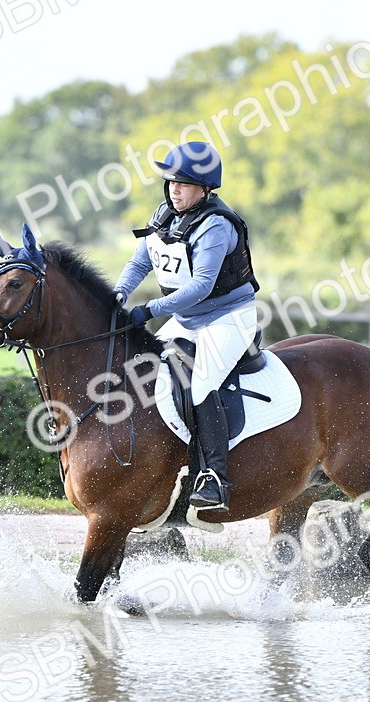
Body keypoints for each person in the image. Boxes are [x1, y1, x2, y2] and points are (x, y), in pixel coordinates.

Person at [113, 141, 259, 511]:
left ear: (205, 189)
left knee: (200, 384)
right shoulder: (164, 214)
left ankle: (214, 479)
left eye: (184, 184)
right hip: (186, 320)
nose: (174, 190)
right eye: (171, 183)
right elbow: (139, 264)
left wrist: (149, 310)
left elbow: (201, 286)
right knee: (140, 372)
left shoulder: (215, 226)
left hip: (228, 319)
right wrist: (118, 294)